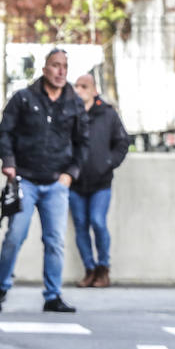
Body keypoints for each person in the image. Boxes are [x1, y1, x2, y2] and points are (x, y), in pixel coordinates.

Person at [0, 48, 89, 313]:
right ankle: (1, 287)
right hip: (25, 180)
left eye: (64, 66)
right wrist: (9, 163)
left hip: (56, 183)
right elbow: (4, 133)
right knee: (15, 236)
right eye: (55, 65)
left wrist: (71, 174)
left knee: (55, 241)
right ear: (45, 69)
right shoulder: (24, 98)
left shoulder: (74, 103)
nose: (60, 71)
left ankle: (52, 296)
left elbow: (83, 143)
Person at [69, 73, 129, 289]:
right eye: (76, 86)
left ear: (94, 90)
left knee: (97, 222)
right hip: (75, 183)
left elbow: (122, 143)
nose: (79, 90)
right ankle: (90, 270)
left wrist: (108, 162)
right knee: (81, 227)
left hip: (100, 182)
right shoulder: (70, 114)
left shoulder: (107, 114)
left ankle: (103, 268)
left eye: (84, 86)